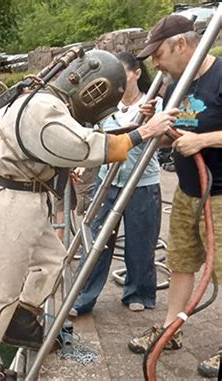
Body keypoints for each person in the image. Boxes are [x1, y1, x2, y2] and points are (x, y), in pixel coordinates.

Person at [0, 49, 179, 380]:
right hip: (11, 202)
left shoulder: (38, 97)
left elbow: (57, 146)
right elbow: (89, 146)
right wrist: (143, 132)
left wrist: (61, 165)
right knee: (0, 289)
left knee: (53, 261)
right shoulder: (43, 108)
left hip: (24, 197)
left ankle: (22, 319)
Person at [127, 15, 222, 378]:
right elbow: (172, 139)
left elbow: (195, 138)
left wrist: (204, 140)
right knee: (181, 263)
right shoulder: (173, 86)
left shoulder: (220, 75)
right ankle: (171, 330)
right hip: (187, 191)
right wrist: (154, 127)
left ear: (182, 45)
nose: (155, 63)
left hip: (220, 195)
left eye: (159, 54)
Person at [71, 52, 163, 316]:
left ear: (136, 73)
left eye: (122, 73)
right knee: (99, 238)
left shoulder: (152, 102)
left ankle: (139, 293)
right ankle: (83, 298)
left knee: (141, 242)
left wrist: (151, 122)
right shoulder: (105, 104)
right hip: (107, 179)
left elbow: (165, 139)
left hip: (142, 181)